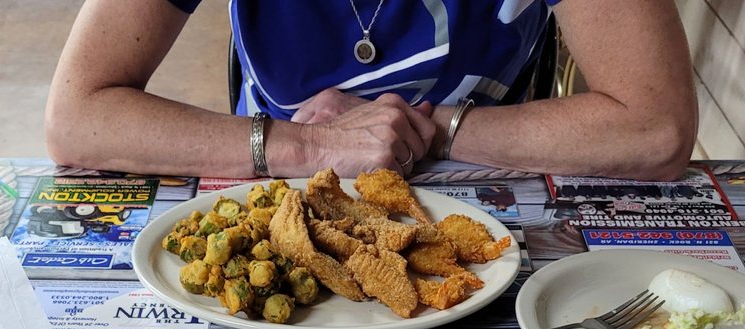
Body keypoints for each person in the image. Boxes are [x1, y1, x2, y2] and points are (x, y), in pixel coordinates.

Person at [45, 0, 697, 182]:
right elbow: (78, 119)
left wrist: (424, 128)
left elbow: (656, 126)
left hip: (485, 186)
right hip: (267, 178)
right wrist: (308, 146)